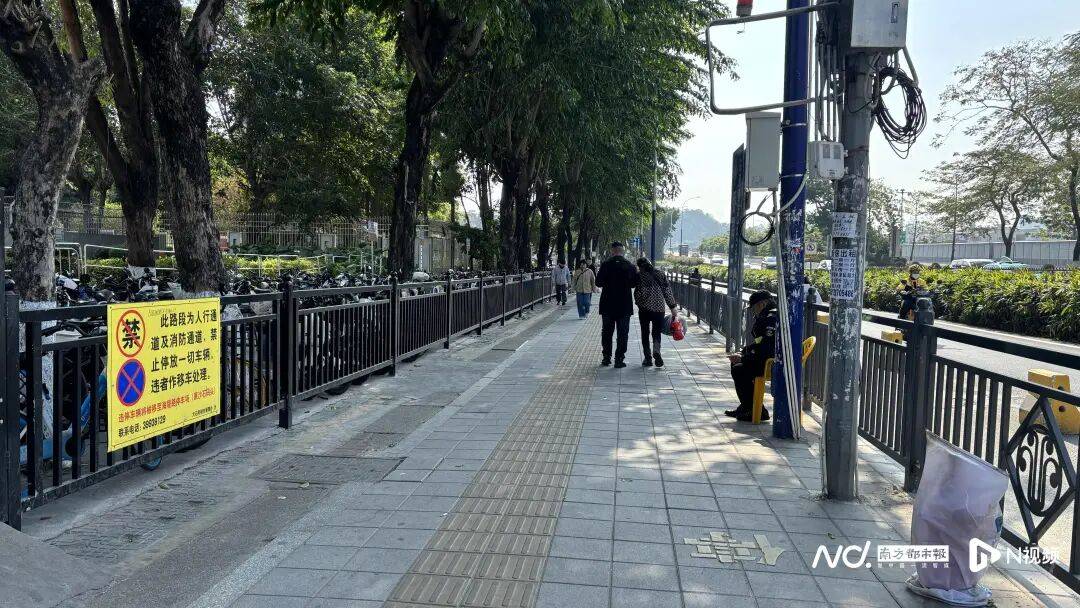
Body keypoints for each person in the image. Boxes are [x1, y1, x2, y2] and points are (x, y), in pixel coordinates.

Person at [725, 290, 779, 421]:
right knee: (736, 364)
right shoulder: (767, 315)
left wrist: (744, 358)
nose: (753, 312)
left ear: (762, 304)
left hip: (772, 362)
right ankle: (749, 406)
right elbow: (760, 343)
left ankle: (754, 410)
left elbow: (766, 349)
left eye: (754, 308)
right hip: (768, 358)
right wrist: (744, 352)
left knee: (739, 369)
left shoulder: (770, 319)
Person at [595, 242, 639, 368]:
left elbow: (598, 283)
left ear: (612, 251)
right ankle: (619, 359)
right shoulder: (630, 266)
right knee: (623, 333)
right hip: (624, 305)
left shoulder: (605, 265)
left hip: (607, 305)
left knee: (607, 332)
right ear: (622, 251)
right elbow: (634, 284)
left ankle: (606, 357)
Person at [634, 258, 678, 367]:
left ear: (640, 267)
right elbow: (667, 292)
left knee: (645, 333)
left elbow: (637, 293)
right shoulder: (660, 274)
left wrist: (639, 303)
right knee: (656, 332)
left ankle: (648, 358)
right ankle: (656, 350)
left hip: (644, 309)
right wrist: (672, 307)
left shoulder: (640, 276)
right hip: (659, 309)